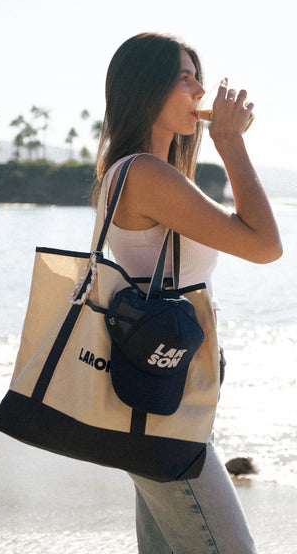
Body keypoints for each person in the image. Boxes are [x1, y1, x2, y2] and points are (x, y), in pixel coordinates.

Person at [94, 33, 282, 554]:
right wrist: (231, 142)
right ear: (144, 89)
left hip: (168, 382)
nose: (200, 88)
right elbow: (266, 245)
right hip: (164, 398)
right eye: (185, 77)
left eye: (197, 74)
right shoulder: (146, 174)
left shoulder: (144, 170)